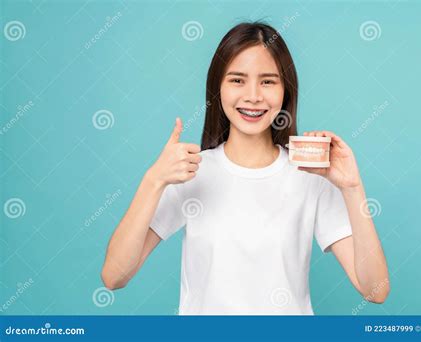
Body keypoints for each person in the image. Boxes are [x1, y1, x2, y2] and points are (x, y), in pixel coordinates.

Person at [101, 22, 390, 315]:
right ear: (218, 88)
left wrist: (352, 188)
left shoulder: (309, 175)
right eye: (237, 80)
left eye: (268, 81)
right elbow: (114, 276)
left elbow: (375, 290)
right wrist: (153, 180)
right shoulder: (192, 172)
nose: (253, 95)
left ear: (285, 90)